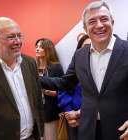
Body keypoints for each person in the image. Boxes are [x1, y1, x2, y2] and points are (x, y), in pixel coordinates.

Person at [39, 1, 128, 140]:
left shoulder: (126, 50)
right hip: (88, 130)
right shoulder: (80, 55)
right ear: (85, 28)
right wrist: (32, 78)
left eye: (104, 19)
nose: (99, 25)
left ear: (112, 22)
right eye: (92, 21)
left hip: (121, 130)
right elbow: (64, 83)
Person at [0, 17, 44, 140]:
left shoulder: (29, 62)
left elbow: (38, 102)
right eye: (11, 37)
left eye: (19, 36)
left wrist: (41, 134)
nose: (18, 41)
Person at [58, 35, 91, 140]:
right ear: (79, 48)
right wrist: (69, 114)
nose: (89, 48)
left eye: (92, 45)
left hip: (96, 117)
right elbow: (64, 90)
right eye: (86, 45)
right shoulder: (75, 66)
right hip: (74, 118)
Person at [35, 38, 64, 140]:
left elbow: (62, 92)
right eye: (37, 47)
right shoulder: (34, 67)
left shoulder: (56, 67)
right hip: (37, 113)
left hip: (51, 113)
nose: (37, 49)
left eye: (41, 47)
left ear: (48, 49)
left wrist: (45, 91)